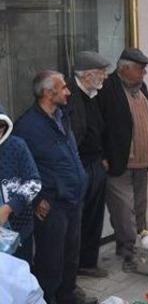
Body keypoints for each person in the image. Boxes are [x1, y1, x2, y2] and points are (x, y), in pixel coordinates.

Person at [15, 71, 93, 304]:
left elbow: (70, 154)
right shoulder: (27, 126)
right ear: (49, 93)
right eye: (63, 88)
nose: (68, 91)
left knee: (70, 255)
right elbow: (21, 169)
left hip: (73, 198)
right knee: (51, 259)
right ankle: (47, 298)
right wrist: (38, 198)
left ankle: (67, 296)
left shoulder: (62, 116)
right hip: (52, 204)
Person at [98, 48, 148, 272]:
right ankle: (129, 252)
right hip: (118, 162)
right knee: (124, 210)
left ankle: (138, 248)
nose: (144, 73)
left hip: (142, 162)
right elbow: (97, 125)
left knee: (139, 208)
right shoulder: (108, 88)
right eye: (140, 69)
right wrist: (102, 156)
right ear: (125, 68)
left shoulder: (141, 88)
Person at [66, 51, 110, 278]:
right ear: (88, 75)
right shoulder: (70, 96)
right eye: (101, 73)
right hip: (79, 164)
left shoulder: (93, 94)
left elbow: (98, 128)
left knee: (94, 215)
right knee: (79, 218)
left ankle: (88, 262)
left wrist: (103, 156)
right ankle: (74, 268)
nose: (104, 77)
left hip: (95, 163)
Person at [0, 103, 41, 263]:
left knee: (20, 277)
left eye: (1, 125)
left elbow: (34, 182)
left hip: (19, 229)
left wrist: (9, 208)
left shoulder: (17, 146)